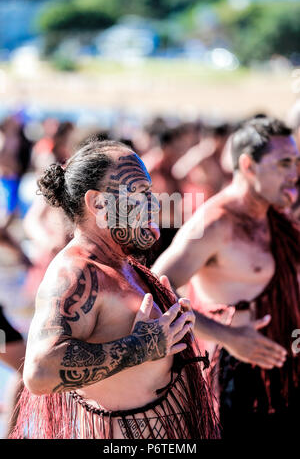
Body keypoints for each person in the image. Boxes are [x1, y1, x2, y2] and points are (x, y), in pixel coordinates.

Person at [10, 139, 220, 439]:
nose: (155, 203)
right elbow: (39, 372)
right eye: (140, 193)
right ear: (98, 203)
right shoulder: (75, 272)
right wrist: (141, 347)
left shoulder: (123, 264)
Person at [152, 117, 299, 437]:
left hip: (290, 366)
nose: (294, 173)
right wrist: (227, 335)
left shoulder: (279, 213)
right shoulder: (214, 223)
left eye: (297, 162)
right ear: (248, 165)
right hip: (241, 378)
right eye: (284, 163)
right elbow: (155, 287)